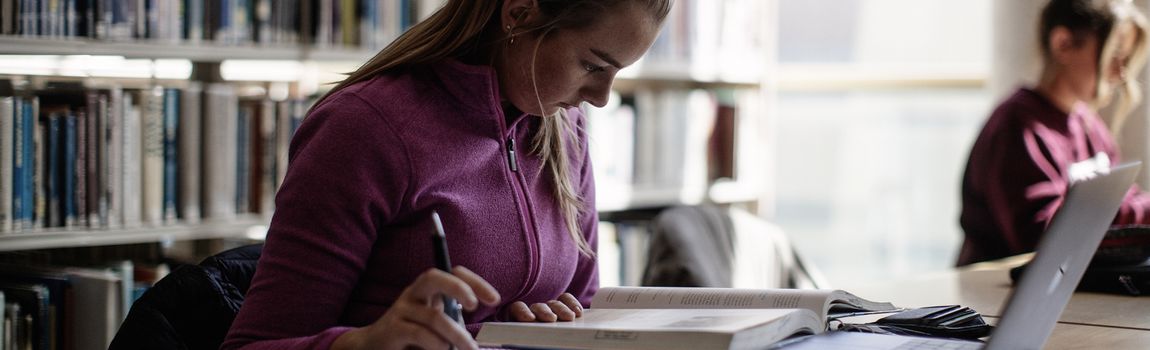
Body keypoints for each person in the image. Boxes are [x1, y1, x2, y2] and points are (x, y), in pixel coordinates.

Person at [221, 0, 669, 349]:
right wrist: (368, 342)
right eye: (592, 65)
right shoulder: (365, 128)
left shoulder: (564, 129)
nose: (603, 98)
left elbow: (585, 304)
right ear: (519, 14)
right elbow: (254, 344)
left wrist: (555, 325)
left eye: (617, 73)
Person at [958, 0, 1150, 266]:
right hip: (997, 297)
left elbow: (1122, 196)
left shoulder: (1088, 124)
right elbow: (1043, 236)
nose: (1120, 73)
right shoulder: (1018, 128)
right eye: (1113, 54)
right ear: (1063, 44)